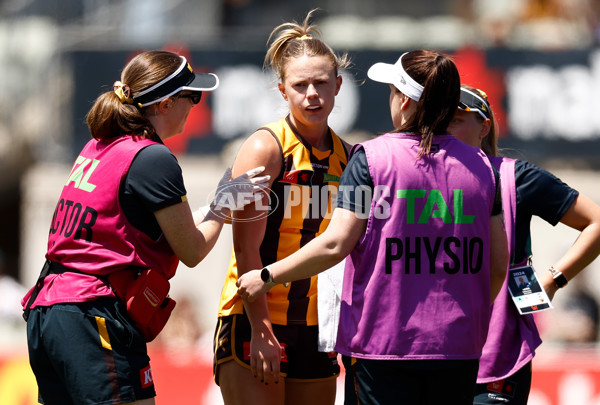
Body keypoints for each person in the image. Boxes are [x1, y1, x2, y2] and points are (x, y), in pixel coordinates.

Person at [237, 50, 509, 405]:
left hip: (383, 347)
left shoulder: (370, 158)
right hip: (458, 346)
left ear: (406, 102)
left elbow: (336, 244)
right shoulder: (483, 167)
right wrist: (464, 318)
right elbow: (498, 263)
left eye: (394, 91)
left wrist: (268, 276)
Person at [21, 50, 269, 405]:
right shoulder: (153, 156)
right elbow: (193, 250)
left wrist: (212, 205)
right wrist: (222, 204)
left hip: (50, 311)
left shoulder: (100, 146)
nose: (196, 104)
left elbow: (146, 228)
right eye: (192, 95)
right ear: (166, 104)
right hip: (92, 315)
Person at [212, 10, 351, 405]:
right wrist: (260, 329)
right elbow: (246, 250)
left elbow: (353, 242)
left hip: (315, 325)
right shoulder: (265, 148)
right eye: (300, 85)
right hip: (253, 317)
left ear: (338, 86)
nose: (312, 94)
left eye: (321, 83)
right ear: (282, 90)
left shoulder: (352, 158)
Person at [447, 84, 600, 405]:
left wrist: (552, 281)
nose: (445, 128)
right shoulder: (418, 177)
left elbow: (595, 223)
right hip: (432, 355)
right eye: (439, 119)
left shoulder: (516, 177)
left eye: (457, 118)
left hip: (499, 355)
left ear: (483, 126)